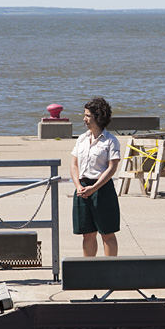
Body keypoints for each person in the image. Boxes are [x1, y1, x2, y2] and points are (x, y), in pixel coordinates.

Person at [70, 97, 121, 256]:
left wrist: (94, 188)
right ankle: (89, 272)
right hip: (83, 188)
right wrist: (78, 186)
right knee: (87, 234)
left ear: (98, 117)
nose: (84, 119)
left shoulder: (111, 141)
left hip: (102, 189)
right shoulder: (82, 139)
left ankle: (110, 271)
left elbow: (112, 168)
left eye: (88, 116)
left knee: (107, 233)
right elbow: (74, 164)